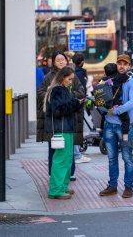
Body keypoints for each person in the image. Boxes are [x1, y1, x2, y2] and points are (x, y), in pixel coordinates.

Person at [37, 50, 86, 181]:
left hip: (70, 118)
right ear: (53, 62)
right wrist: (52, 96)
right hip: (55, 120)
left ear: (67, 61)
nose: (60, 62)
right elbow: (41, 92)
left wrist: (70, 97)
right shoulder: (48, 77)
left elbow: (81, 91)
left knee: (69, 149)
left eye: (62, 59)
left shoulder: (72, 75)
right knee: (55, 147)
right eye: (57, 60)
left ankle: (69, 174)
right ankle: (55, 177)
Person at [99, 54, 133, 198]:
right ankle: (112, 186)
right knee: (111, 158)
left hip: (124, 127)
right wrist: (106, 110)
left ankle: (128, 187)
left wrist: (115, 110)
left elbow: (132, 103)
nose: (122, 66)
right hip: (109, 125)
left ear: (129, 66)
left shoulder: (132, 82)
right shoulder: (109, 81)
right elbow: (101, 100)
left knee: (127, 158)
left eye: (125, 64)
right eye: (119, 63)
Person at [44, 66, 85, 199]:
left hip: (65, 128)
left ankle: (62, 186)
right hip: (61, 129)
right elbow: (58, 109)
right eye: (70, 79)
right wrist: (75, 104)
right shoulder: (57, 90)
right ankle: (56, 190)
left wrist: (77, 102)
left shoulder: (61, 89)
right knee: (61, 160)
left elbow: (64, 105)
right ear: (62, 78)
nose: (71, 82)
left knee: (67, 159)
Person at [98, 62, 132, 147]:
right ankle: (125, 139)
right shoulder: (118, 78)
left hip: (106, 103)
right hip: (116, 103)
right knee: (126, 119)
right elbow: (127, 76)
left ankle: (102, 130)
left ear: (105, 72)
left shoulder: (102, 80)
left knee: (104, 116)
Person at [71, 53, 91, 164]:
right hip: (78, 102)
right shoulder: (81, 72)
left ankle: (76, 153)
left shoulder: (70, 71)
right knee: (77, 128)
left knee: (75, 128)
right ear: (81, 62)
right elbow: (81, 89)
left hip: (73, 101)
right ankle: (77, 154)